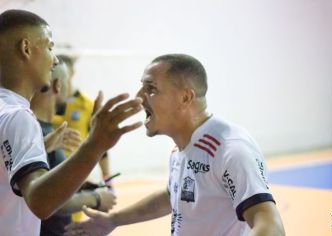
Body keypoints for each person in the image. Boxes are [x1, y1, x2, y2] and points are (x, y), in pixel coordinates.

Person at [64, 54, 285, 236]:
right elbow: (175, 196)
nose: (139, 97)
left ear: (185, 98)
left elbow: (271, 227)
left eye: (150, 89)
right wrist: (113, 220)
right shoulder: (182, 147)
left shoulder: (231, 149)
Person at [0, 9, 143, 236]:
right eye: (49, 47)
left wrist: (42, 147)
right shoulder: (19, 116)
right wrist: (94, 145)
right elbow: (40, 202)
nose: (54, 58)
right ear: (26, 48)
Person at [31, 60, 117, 235]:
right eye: (68, 80)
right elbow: (47, 199)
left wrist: (78, 185)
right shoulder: (37, 132)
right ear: (58, 85)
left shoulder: (43, 132)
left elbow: (47, 183)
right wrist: (96, 198)